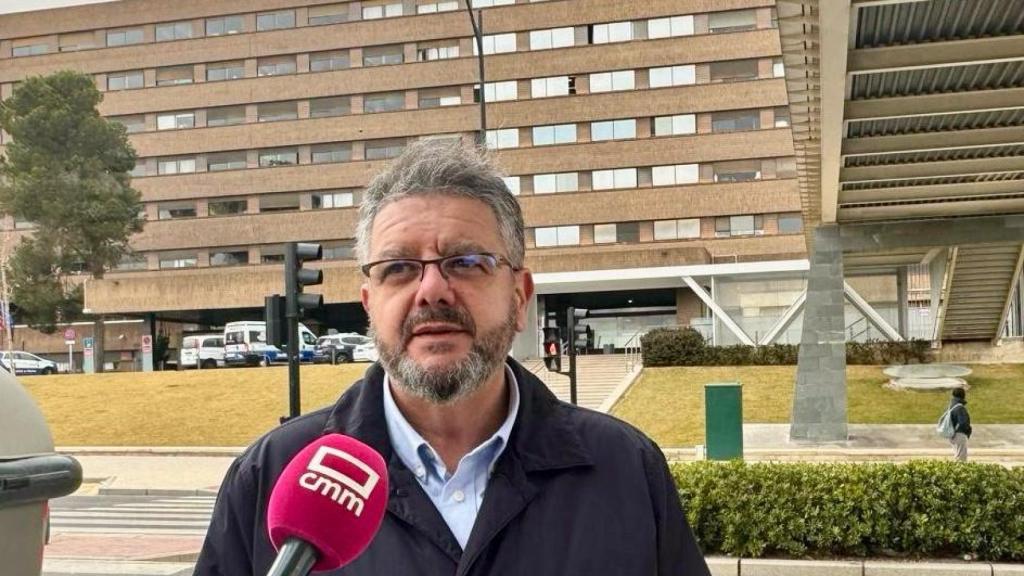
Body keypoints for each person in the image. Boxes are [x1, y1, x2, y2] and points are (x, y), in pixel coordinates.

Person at [194, 140, 710, 575]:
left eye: (465, 262)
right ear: (370, 304)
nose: (432, 290)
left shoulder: (626, 470)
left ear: (519, 297)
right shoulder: (268, 477)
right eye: (399, 268)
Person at [949, 388, 972, 462]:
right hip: (960, 434)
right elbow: (963, 423)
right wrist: (968, 432)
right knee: (961, 458)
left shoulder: (952, 406)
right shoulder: (960, 408)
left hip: (953, 434)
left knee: (957, 455)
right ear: (963, 396)